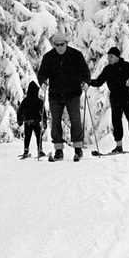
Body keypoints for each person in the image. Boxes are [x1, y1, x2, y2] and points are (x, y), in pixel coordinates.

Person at [35, 30, 91, 162]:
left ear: (66, 43)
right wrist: (42, 82)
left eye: (62, 44)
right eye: (57, 45)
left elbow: (85, 71)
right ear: (54, 45)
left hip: (73, 94)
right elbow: (42, 73)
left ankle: (78, 148)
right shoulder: (49, 57)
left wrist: (85, 83)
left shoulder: (75, 55)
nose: (59, 47)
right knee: (55, 122)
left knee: (75, 120)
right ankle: (58, 150)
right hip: (55, 94)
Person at [89, 46, 129, 152]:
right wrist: (88, 82)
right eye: (108, 57)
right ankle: (119, 146)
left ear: (117, 57)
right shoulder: (107, 69)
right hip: (115, 98)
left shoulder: (127, 66)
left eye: (111, 56)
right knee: (116, 122)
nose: (108, 59)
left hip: (128, 96)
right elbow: (98, 82)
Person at [16, 80, 47, 159]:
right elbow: (43, 112)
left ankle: (26, 151)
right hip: (36, 122)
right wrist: (44, 121)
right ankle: (39, 150)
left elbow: (20, 111)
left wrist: (19, 120)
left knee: (27, 136)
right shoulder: (39, 101)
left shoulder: (25, 101)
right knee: (38, 136)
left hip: (27, 122)